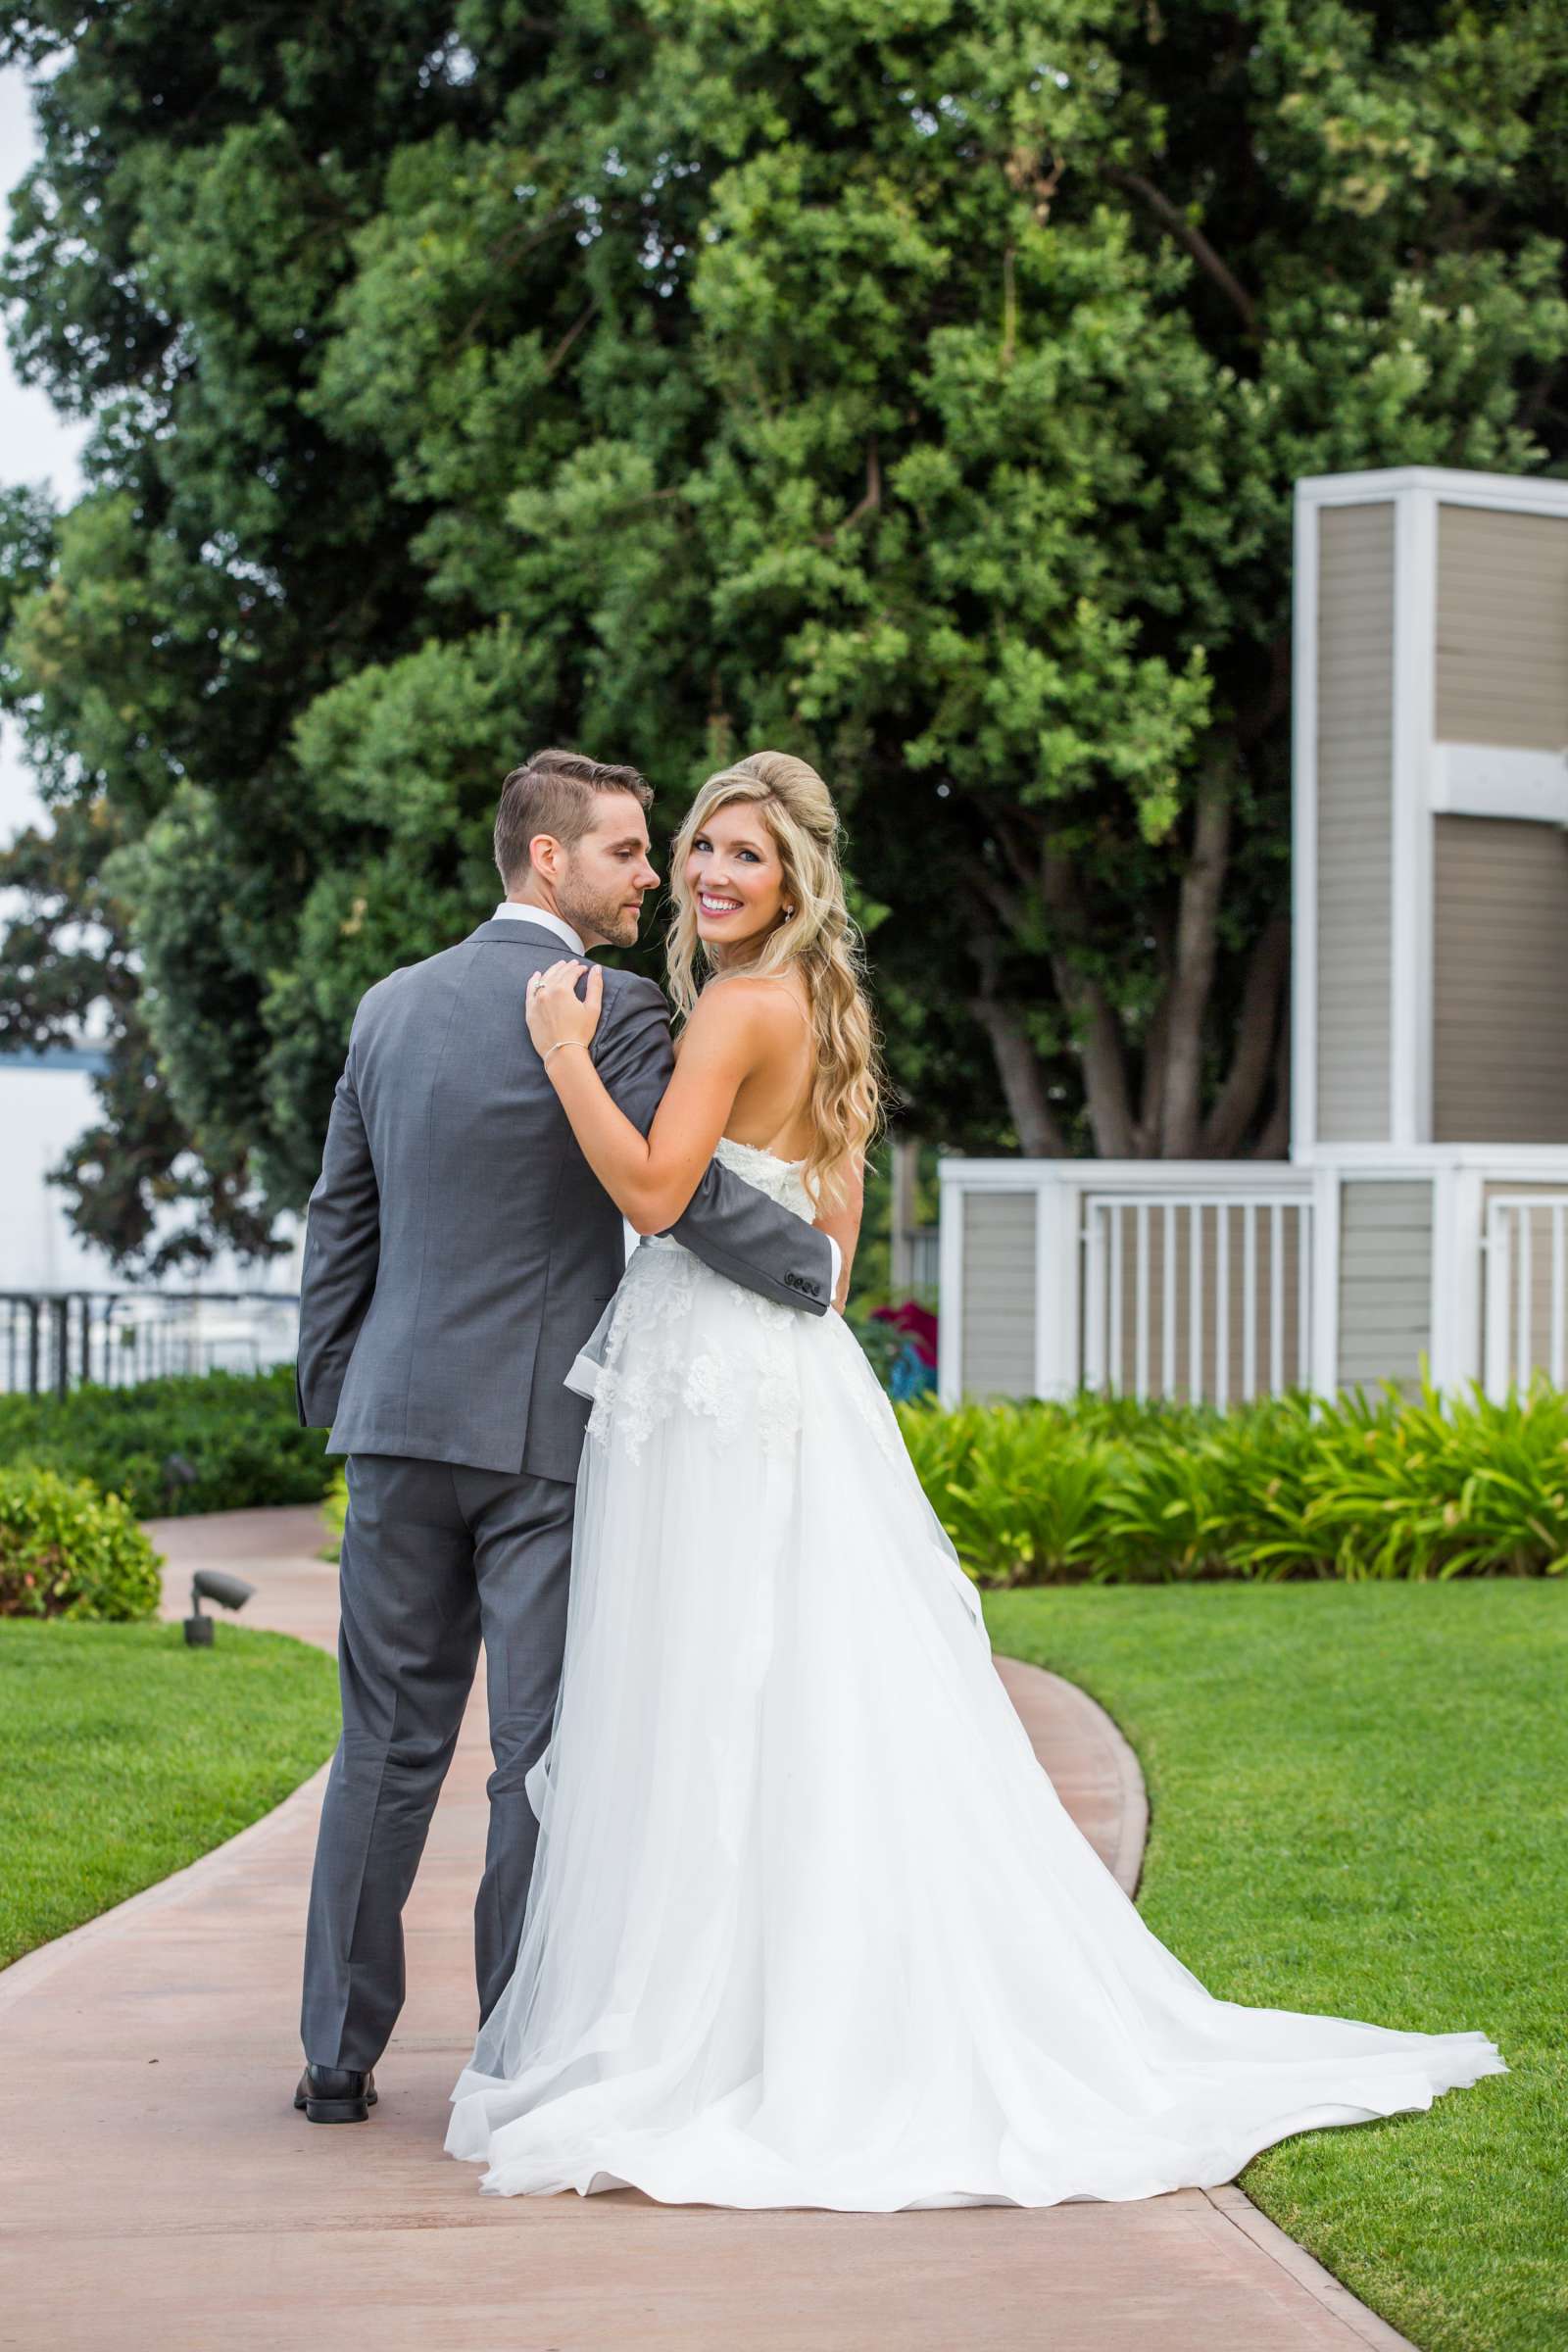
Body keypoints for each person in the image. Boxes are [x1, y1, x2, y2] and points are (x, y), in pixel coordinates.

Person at [446, 748, 1503, 2210]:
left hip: (709, 1382)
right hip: (788, 1381)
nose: (704, 875)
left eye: (739, 856)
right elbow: (831, 1239)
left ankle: (723, 2023)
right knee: (789, 1680)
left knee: (706, 1687)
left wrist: (564, 1051)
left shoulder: (743, 1006)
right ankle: (806, 1990)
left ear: (796, 876)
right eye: (696, 850)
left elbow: (650, 1191)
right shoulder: (823, 1004)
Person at [292, 749, 834, 2126]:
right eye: (628, 852)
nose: (654, 875)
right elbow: (681, 1187)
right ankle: (511, 2051)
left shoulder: (391, 1007)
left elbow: (339, 1219)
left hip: (396, 1430)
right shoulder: (623, 1005)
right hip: (543, 1437)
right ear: (550, 858)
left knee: (383, 1749)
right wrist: (809, 1270)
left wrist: (337, 1396)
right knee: (536, 1752)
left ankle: (336, 2062)